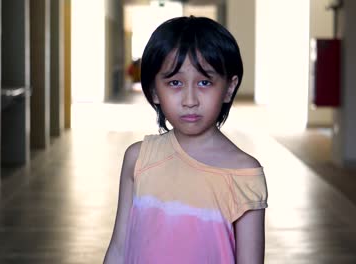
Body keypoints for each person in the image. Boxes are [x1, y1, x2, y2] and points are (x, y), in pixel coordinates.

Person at [104, 16, 268, 264]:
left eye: (204, 82)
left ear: (229, 88)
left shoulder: (244, 173)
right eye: (175, 83)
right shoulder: (138, 159)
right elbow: (118, 248)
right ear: (153, 91)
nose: (189, 99)